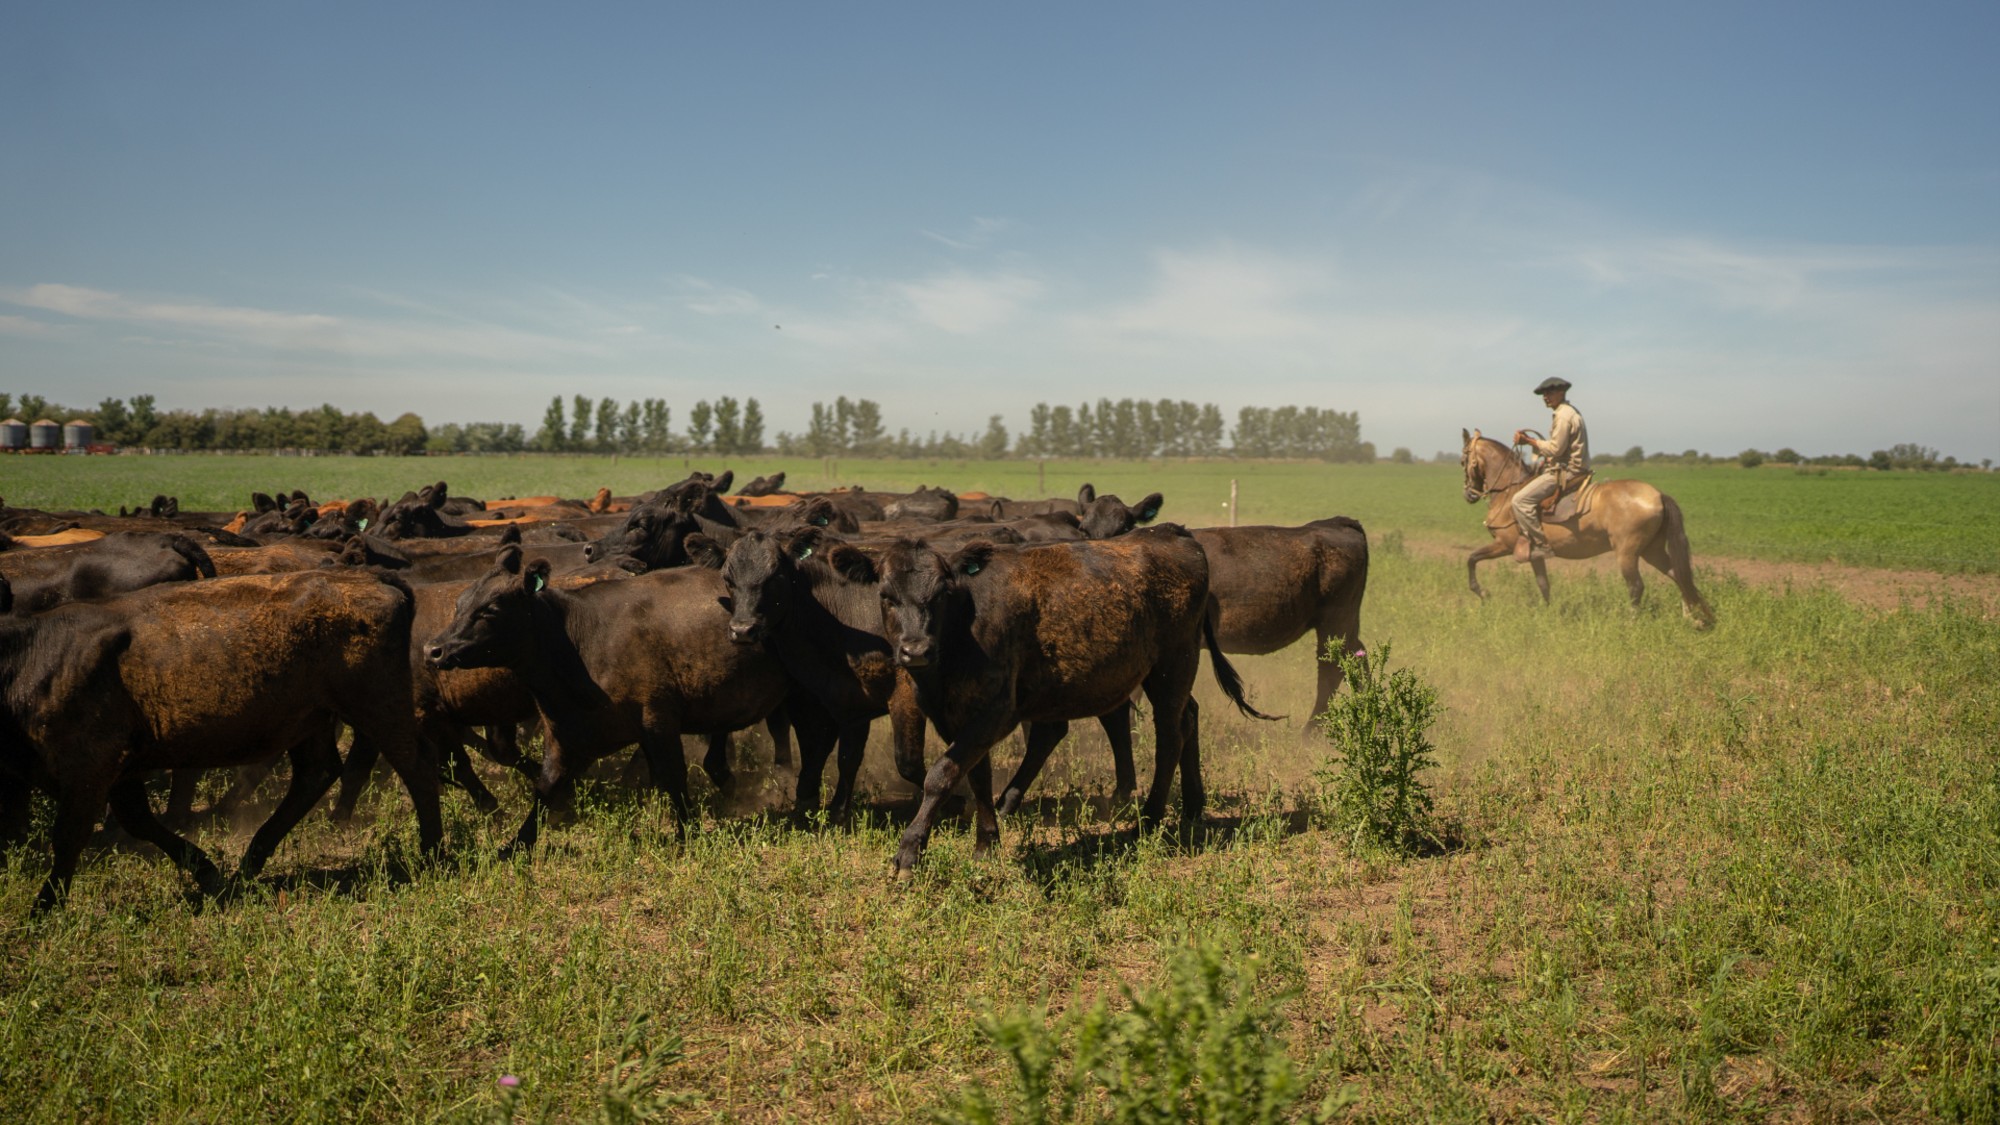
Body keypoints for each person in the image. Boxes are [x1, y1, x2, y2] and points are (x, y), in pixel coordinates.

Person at [1510, 377, 1590, 562]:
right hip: (1572, 467)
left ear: (1562, 393)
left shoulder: (1563, 416)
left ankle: (1541, 545)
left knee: (1519, 501)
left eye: (1550, 393)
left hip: (1566, 471)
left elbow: (1555, 449)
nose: (1546, 397)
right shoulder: (1569, 412)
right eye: (1544, 394)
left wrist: (1528, 441)